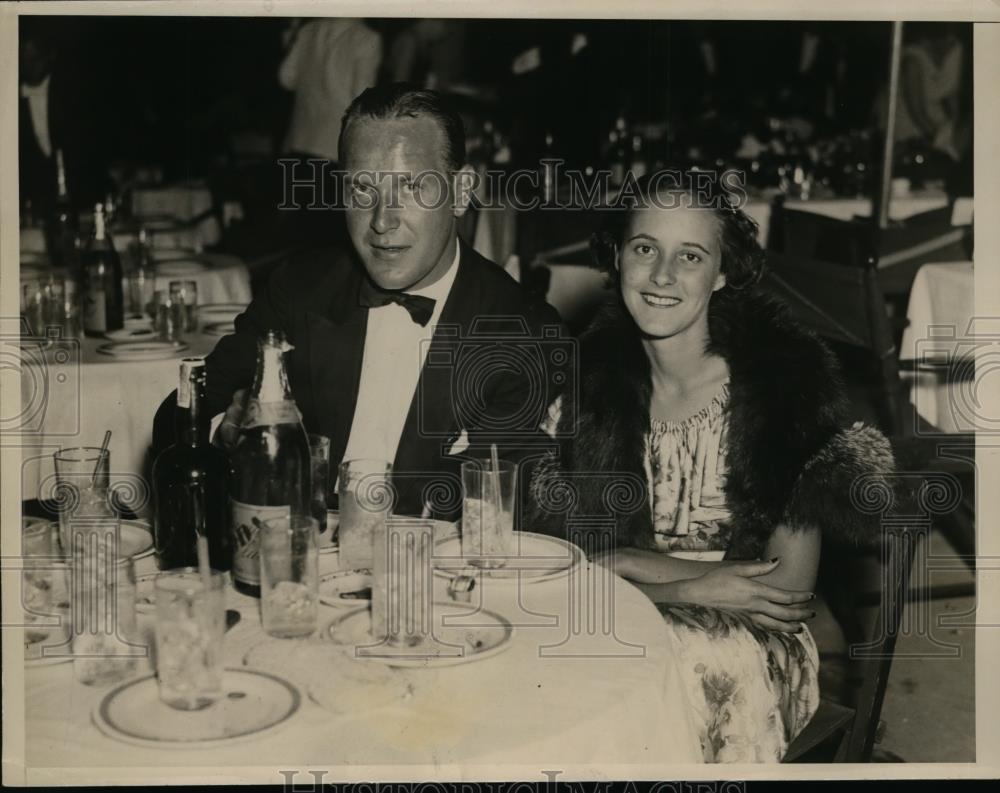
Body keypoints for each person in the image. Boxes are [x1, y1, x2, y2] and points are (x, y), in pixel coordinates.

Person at [527, 173, 894, 762]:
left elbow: (785, 591)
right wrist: (690, 583)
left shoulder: (782, 389)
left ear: (722, 272)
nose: (663, 275)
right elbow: (554, 568)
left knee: (686, 664)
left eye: (690, 256)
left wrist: (622, 565)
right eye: (645, 248)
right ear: (617, 256)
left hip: (752, 642)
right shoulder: (585, 385)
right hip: (629, 606)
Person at [153, 84, 565, 517]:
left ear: (461, 192)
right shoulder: (300, 289)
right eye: (361, 190)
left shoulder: (524, 333)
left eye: (410, 187)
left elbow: (498, 513)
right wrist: (225, 436)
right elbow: (180, 411)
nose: (382, 221)